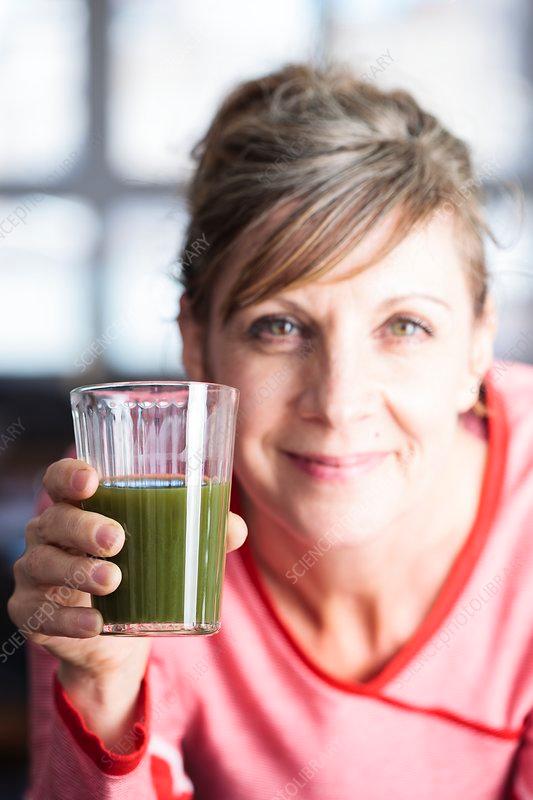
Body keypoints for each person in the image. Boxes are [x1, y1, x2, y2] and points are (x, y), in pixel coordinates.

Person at [9, 63, 533, 799]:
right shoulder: (111, 508)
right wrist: (103, 692)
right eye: (279, 326)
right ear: (195, 340)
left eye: (405, 325)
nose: (338, 401)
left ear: (479, 343)